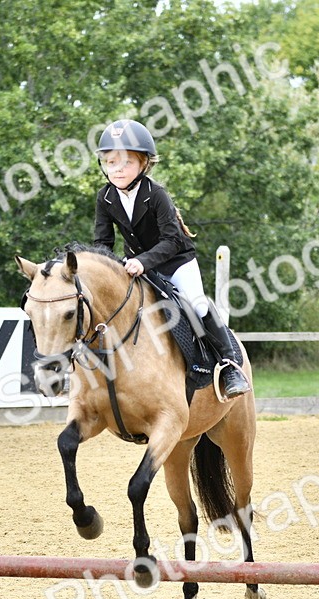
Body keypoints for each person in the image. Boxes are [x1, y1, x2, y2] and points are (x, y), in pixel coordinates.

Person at [91, 118, 251, 400]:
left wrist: (142, 261)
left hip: (175, 261)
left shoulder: (156, 195)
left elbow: (172, 240)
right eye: (111, 162)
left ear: (144, 164)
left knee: (197, 303)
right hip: (137, 266)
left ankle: (229, 366)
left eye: (126, 162)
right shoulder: (105, 197)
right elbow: (102, 243)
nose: (117, 169)